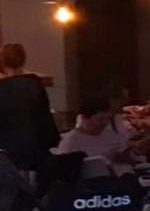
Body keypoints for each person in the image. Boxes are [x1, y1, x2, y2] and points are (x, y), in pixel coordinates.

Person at [0, 43, 60, 172]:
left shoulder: (3, 88)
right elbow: (44, 113)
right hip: (36, 143)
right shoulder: (34, 83)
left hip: (10, 146)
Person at [57, 97, 133, 176]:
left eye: (107, 119)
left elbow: (123, 155)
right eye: (100, 119)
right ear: (84, 118)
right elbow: (62, 170)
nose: (105, 123)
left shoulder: (109, 133)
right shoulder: (71, 140)